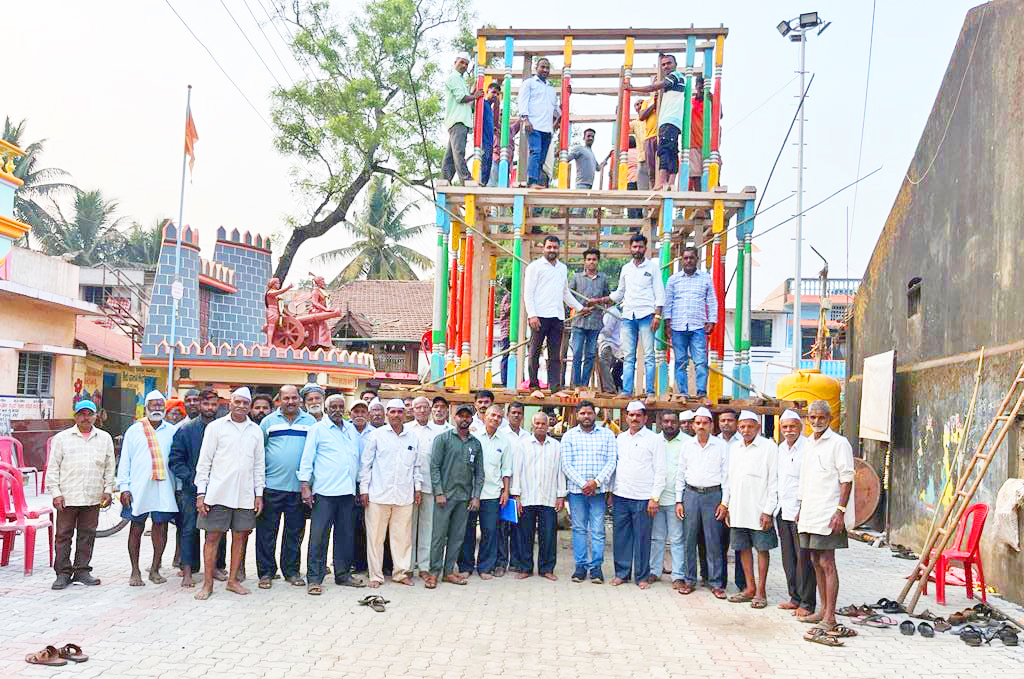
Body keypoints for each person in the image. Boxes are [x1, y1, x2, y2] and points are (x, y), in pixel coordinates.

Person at [194, 388, 266, 600]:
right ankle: (207, 584)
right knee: (212, 537)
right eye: (238, 402)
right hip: (217, 493)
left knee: (240, 537)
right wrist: (201, 493)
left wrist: (258, 494)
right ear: (230, 403)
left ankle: (232, 581)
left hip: (245, 495)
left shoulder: (255, 431)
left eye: (246, 403)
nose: (241, 406)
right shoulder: (216, 428)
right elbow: (204, 462)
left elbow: (259, 465)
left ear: (250, 406)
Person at [797, 400, 856, 636]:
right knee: (814, 559)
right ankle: (822, 611)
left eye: (821, 418)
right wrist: (801, 506)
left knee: (827, 562)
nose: (816, 422)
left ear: (829, 419)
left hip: (829, 513)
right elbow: (805, 478)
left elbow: (847, 478)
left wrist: (840, 510)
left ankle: (830, 617)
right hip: (810, 511)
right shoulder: (808, 444)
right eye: (812, 417)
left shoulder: (839, 443)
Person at [47, 399, 115, 590]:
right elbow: (53, 468)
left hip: (93, 495)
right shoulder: (62, 438)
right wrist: (55, 493)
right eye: (81, 414)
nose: (86, 418)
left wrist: (108, 490)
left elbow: (110, 467)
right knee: (63, 535)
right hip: (68, 496)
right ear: (75, 416)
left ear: (96, 416)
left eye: (89, 414)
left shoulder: (104, 438)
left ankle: (82, 571)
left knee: (87, 534)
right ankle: (62, 573)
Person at [300, 394, 365, 594]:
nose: (337, 410)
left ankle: (343, 574)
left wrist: (359, 488)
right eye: (333, 407)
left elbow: (358, 460)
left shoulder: (351, 430)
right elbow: (307, 458)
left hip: (347, 492)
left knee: (345, 536)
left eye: (340, 407)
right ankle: (314, 578)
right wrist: (305, 486)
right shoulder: (317, 429)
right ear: (327, 409)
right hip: (325, 492)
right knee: (319, 537)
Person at [117, 391, 179, 587]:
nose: (157, 408)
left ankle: (155, 569)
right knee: (136, 527)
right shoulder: (134, 430)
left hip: (164, 488)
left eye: (160, 405)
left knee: (161, 527)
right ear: (146, 408)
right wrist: (124, 487)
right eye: (153, 405)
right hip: (138, 488)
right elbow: (125, 460)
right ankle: (135, 571)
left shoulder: (172, 431)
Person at [256, 385, 315, 589]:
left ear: (299, 399)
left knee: (294, 533)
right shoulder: (268, 422)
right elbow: (260, 452)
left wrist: (308, 484)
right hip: (271, 487)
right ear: (279, 400)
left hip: (298, 489)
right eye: (286, 398)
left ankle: (291, 572)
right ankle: (266, 573)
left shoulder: (310, 422)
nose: (290, 401)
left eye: (294, 398)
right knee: (266, 533)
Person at [359, 399, 424, 588]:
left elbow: (416, 466)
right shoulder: (376, 436)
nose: (396, 415)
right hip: (378, 495)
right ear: (387, 414)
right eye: (393, 412)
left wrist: (417, 489)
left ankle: (401, 573)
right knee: (375, 538)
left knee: (402, 537)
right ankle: (376, 576)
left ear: (405, 414)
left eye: (400, 412)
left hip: (404, 495)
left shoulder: (412, 437)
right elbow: (366, 465)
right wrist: (364, 490)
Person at [169, 388, 227, 588]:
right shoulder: (186, 430)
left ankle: (217, 567)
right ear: (199, 405)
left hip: (218, 488)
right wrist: (192, 479)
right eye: (206, 404)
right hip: (191, 490)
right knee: (189, 530)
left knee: (218, 529)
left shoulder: (223, 428)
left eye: (213, 404)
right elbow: (175, 460)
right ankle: (188, 570)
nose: (209, 408)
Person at [593, 234, 664, 397]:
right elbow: (619, 293)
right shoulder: (626, 268)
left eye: (640, 247)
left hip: (647, 315)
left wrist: (658, 316)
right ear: (630, 248)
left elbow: (660, 293)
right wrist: (600, 300)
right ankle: (626, 391)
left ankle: (651, 392)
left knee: (649, 355)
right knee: (628, 356)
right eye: (634, 247)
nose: (637, 249)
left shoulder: (652, 268)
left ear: (645, 248)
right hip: (628, 316)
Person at [723, 411, 778, 609]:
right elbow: (728, 479)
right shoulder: (735, 448)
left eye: (750, 427)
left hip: (760, 509)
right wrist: (726, 505)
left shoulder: (769, 448)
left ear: (758, 427)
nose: (746, 431)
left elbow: (774, 481)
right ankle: (750, 588)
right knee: (743, 548)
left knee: (762, 549)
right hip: (738, 508)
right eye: (743, 427)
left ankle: (761, 592)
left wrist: (768, 510)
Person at [427, 403, 483, 588]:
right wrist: (439, 492)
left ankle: (449, 572)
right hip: (445, 497)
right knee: (438, 536)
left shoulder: (475, 443)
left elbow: (479, 473)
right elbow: (434, 467)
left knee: (457, 537)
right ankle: (434, 573)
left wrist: (475, 496)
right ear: (454, 417)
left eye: (468, 416)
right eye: (461, 416)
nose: (464, 419)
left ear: (472, 419)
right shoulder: (442, 439)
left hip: (464, 498)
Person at [675, 407, 729, 598]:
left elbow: (726, 476)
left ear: (711, 425)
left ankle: (715, 582)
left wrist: (724, 503)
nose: (701, 426)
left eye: (705, 423)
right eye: (697, 423)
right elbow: (680, 473)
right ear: (693, 425)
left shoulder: (721, 446)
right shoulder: (687, 446)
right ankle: (689, 580)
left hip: (713, 496)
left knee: (713, 540)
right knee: (689, 539)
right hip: (690, 495)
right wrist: (678, 501)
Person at [561, 400, 617, 583]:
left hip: (598, 492)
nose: (586, 416)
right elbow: (566, 464)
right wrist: (584, 484)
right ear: (577, 416)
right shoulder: (569, 436)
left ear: (595, 414)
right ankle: (580, 566)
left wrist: (596, 482)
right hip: (577, 492)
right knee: (578, 528)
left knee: (598, 530)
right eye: (582, 413)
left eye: (589, 413)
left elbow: (611, 462)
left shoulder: (608, 435)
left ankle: (596, 568)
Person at [610, 401, 665, 589]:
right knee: (621, 537)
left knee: (642, 538)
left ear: (645, 418)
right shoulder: (620, 439)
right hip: (621, 495)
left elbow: (660, 470)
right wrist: (611, 491)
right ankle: (621, 573)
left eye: (638, 415)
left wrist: (654, 497)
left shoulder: (654, 439)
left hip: (644, 498)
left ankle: (642, 576)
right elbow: (614, 467)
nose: (634, 418)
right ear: (626, 417)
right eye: (631, 415)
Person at [523, 235, 585, 393]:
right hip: (539, 316)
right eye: (549, 247)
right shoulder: (534, 267)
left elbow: (565, 293)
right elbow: (528, 293)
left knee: (555, 355)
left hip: (557, 317)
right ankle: (534, 385)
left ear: (559, 249)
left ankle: (555, 386)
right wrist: (532, 315)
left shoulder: (562, 268)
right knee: (534, 352)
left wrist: (579, 308)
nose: (552, 250)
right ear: (543, 248)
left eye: (555, 247)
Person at [512, 412, 566, 581]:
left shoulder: (556, 446)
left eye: (543, 423)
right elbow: (516, 470)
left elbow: (560, 472)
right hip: (527, 497)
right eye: (537, 423)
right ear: (532, 425)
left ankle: (546, 568)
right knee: (525, 534)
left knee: (548, 535)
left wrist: (560, 496)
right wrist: (517, 496)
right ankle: (525, 567)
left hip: (548, 497)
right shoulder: (523, 445)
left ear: (548, 425)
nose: (540, 426)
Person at [459, 405, 511, 579]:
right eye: (492, 415)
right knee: (468, 530)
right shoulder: (473, 436)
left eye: (498, 417)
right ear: (484, 417)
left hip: (492, 493)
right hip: (471, 492)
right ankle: (466, 566)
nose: (495, 419)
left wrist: (506, 492)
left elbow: (506, 470)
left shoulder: (504, 441)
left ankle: (485, 567)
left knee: (490, 531)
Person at [624, 53, 687, 190]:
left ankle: (661, 182)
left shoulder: (675, 76)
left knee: (664, 150)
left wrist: (632, 88)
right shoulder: (668, 88)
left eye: (668, 63)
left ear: (675, 64)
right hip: (670, 120)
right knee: (671, 150)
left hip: (669, 120)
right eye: (663, 64)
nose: (666, 67)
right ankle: (670, 183)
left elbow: (652, 88)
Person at [776, 409, 816, 617]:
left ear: (801, 427)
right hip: (783, 510)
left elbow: (810, 481)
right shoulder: (781, 449)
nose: (789, 430)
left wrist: (803, 507)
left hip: (801, 512)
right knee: (788, 558)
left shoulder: (809, 447)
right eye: (785, 427)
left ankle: (808, 603)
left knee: (804, 559)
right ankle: (794, 597)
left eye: (793, 426)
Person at [664, 247, 717, 396]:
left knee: (701, 361)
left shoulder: (705, 278)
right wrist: (667, 324)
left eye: (691, 258)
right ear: (682, 260)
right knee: (680, 362)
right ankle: (683, 392)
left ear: (697, 260)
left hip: (698, 326)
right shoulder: (673, 280)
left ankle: (701, 391)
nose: (688, 261)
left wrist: (712, 321)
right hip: (678, 326)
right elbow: (668, 303)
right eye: (685, 258)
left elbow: (712, 301)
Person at [650, 410, 689, 590]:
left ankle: (678, 575)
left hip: (677, 500)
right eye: (665, 421)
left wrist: (681, 500)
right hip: (656, 498)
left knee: (677, 538)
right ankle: (654, 571)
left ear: (679, 423)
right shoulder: (653, 440)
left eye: (673, 421)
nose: (669, 425)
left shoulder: (688, 442)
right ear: (660, 423)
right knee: (657, 538)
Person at [409, 396, 442, 577]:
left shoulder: (438, 432)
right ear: (412, 410)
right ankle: (408, 566)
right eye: (418, 407)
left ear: (430, 410)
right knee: (409, 528)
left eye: (425, 407)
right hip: (408, 488)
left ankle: (424, 566)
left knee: (427, 527)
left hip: (430, 486)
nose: (421, 410)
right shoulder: (405, 430)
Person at [568, 248, 610, 388]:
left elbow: (608, 299)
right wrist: (580, 308)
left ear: (598, 261)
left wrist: (598, 301)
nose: (591, 262)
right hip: (579, 322)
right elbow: (568, 297)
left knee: (591, 354)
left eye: (594, 259)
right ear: (584, 262)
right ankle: (575, 384)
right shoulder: (576, 278)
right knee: (577, 353)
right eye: (589, 259)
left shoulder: (603, 278)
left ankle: (584, 384)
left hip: (595, 323)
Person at [497, 401, 530, 575]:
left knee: (519, 528)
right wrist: (505, 489)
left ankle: (516, 562)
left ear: (523, 415)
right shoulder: (501, 435)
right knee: (502, 528)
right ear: (507, 415)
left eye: (519, 413)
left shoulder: (527, 436)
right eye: (513, 412)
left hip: (522, 490)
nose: (516, 415)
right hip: (504, 489)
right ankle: (501, 562)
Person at [518, 57, 559, 188]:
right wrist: (525, 119)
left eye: (547, 67)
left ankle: (537, 181)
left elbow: (556, 109)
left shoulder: (551, 89)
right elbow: (522, 101)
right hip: (533, 125)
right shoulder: (529, 83)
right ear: (536, 68)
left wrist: (567, 96)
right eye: (543, 67)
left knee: (541, 157)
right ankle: (531, 181)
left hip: (547, 128)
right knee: (535, 152)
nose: (545, 70)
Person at [442, 55, 483, 186]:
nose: (464, 66)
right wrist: (474, 96)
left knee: (451, 154)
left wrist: (472, 94)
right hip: (457, 120)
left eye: (466, 64)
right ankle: (465, 178)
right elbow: (461, 98)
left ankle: (445, 179)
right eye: (461, 63)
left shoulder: (461, 80)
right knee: (459, 151)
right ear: (455, 62)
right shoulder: (453, 78)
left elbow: (466, 103)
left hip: (461, 120)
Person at [717, 407, 745, 591]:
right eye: (723, 420)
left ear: (736, 423)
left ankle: (743, 583)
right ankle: (719, 581)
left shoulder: (743, 442)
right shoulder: (714, 442)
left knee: (740, 543)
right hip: (716, 499)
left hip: (740, 499)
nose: (726, 423)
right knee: (718, 542)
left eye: (730, 420)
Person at [349, 399, 374, 574]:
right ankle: (348, 562)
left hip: (368, 484)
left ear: (368, 414)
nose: (359, 415)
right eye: (355, 412)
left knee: (366, 525)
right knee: (348, 525)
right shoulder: (345, 430)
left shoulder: (375, 433)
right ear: (350, 414)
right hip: (347, 484)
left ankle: (364, 563)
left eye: (362, 412)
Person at [597, 306, 624, 394]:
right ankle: (608, 388)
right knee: (607, 368)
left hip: (609, 344)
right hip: (611, 344)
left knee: (603, 364)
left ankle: (609, 389)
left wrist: (595, 329)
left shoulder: (611, 312)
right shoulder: (610, 311)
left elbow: (608, 331)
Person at [481, 81, 500, 186]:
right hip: (482, 138)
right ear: (487, 91)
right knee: (484, 159)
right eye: (493, 92)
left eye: (497, 94)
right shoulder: (482, 103)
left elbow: (496, 123)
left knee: (488, 160)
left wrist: (497, 105)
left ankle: (484, 183)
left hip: (489, 140)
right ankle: (481, 181)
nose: (495, 95)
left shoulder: (491, 108)